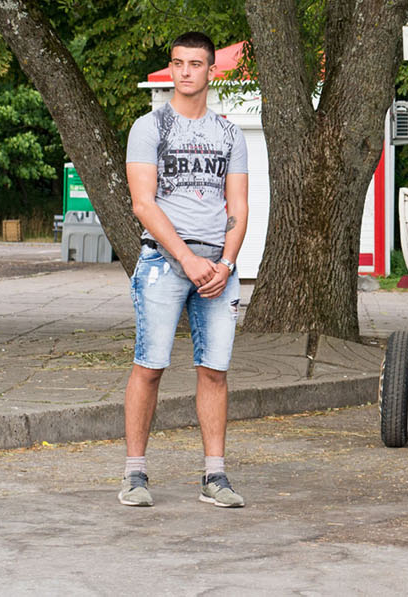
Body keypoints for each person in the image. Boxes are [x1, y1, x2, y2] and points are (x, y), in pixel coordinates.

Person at [118, 32, 250, 508]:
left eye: (196, 64)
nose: (186, 72)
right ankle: (135, 474)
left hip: (218, 266)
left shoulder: (231, 134)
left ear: (212, 71)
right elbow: (142, 203)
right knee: (149, 365)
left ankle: (214, 476)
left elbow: (238, 206)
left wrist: (226, 262)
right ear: (171, 69)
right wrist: (187, 260)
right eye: (178, 64)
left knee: (214, 370)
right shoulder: (149, 128)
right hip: (163, 262)